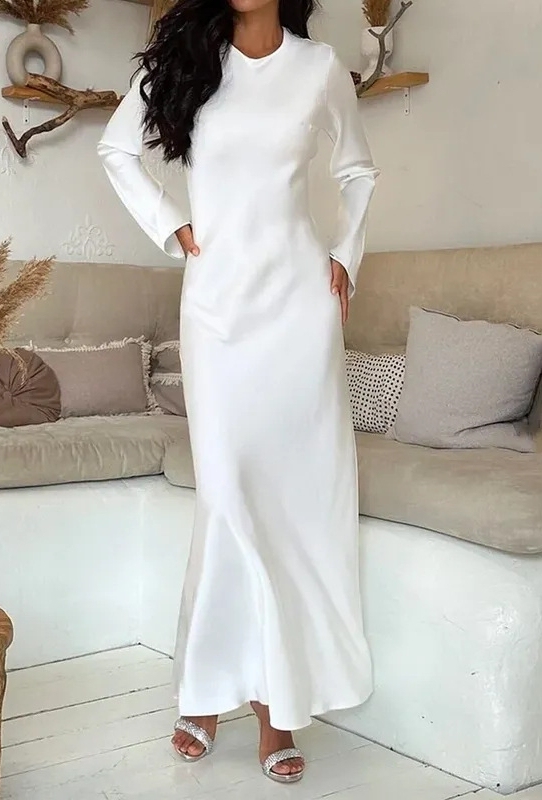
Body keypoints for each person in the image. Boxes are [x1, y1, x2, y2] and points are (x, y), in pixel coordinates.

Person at [98, 0, 379, 785]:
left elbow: (357, 170)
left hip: (299, 312)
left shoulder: (318, 69)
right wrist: (172, 223)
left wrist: (346, 255)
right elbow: (117, 150)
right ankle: (206, 686)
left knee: (288, 504)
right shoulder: (190, 62)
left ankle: (275, 708)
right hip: (218, 311)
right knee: (226, 499)